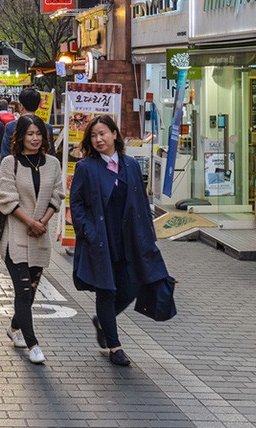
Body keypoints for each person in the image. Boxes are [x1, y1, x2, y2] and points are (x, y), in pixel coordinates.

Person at [69, 115, 170, 367]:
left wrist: (149, 239)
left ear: (115, 134)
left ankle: (103, 320)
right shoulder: (86, 167)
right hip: (101, 239)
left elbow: (142, 205)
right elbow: (76, 204)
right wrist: (87, 232)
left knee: (131, 287)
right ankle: (115, 347)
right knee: (106, 291)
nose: (98, 139)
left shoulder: (131, 165)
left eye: (103, 133)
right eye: (93, 136)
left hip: (129, 240)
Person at [0, 115, 64, 364]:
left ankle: (13, 328)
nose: (35, 138)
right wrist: (30, 222)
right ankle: (33, 344)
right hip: (15, 236)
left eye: (39, 134)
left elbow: (57, 194)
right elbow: (5, 198)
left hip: (40, 237)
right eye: (30, 133)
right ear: (20, 136)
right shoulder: (10, 163)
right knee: (23, 291)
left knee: (31, 293)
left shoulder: (53, 163)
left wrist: (42, 222)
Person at [1, 89, 55, 158]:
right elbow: (51, 154)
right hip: (40, 167)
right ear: (38, 106)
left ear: (21, 106)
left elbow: (5, 155)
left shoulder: (11, 127)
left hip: (16, 167)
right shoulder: (47, 127)